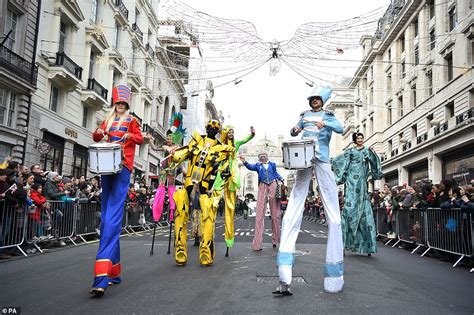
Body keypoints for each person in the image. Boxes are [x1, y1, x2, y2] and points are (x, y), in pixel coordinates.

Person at [275, 86, 344, 296]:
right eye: (312, 99)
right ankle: (284, 275)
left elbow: (340, 129)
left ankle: (334, 278)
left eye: (317, 99)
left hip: (322, 158)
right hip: (304, 158)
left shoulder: (329, 115)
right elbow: (294, 130)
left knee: (332, 205)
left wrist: (327, 123)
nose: (314, 101)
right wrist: (295, 131)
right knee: (295, 201)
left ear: (322, 101)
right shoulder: (303, 115)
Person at [89, 84, 144, 297]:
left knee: (111, 218)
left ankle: (101, 276)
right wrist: (99, 131)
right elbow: (96, 137)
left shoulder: (132, 121)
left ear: (126, 105)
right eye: (118, 103)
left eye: (123, 104)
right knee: (107, 219)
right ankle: (114, 272)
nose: (120, 106)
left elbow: (140, 138)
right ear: (115, 104)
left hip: (123, 167)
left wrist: (131, 137)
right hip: (106, 166)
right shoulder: (108, 119)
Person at [170, 119, 234, 266]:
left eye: (215, 127)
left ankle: (205, 250)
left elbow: (225, 168)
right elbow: (180, 156)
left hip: (205, 187)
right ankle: (180, 248)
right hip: (188, 183)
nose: (212, 129)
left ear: (218, 131)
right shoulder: (196, 140)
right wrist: (174, 151)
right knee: (181, 210)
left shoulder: (221, 148)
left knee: (208, 214)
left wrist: (223, 170)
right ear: (206, 127)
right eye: (210, 126)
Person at [332, 132, 383, 257]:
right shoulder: (350, 151)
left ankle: (368, 246)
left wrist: (374, 154)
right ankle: (344, 244)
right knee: (349, 212)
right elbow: (339, 161)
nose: (360, 139)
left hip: (362, 185)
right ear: (355, 140)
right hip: (351, 183)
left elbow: (375, 164)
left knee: (366, 215)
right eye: (358, 138)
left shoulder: (367, 151)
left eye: (362, 137)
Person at [213, 126, 255, 253]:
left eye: (233, 131)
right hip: (222, 171)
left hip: (231, 173)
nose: (231, 133)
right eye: (229, 131)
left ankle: (229, 237)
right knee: (215, 197)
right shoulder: (220, 144)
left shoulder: (236, 143)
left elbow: (245, 140)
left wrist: (252, 134)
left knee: (230, 206)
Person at [240, 152, 284, 250]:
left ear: (267, 157)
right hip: (262, 185)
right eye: (261, 157)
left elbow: (275, 173)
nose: (262, 157)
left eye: (264, 156)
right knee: (259, 215)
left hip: (273, 184)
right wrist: (244, 161)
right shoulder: (257, 165)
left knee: (275, 215)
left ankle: (276, 240)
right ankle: (257, 244)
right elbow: (250, 167)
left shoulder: (272, 164)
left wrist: (281, 178)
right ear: (259, 158)